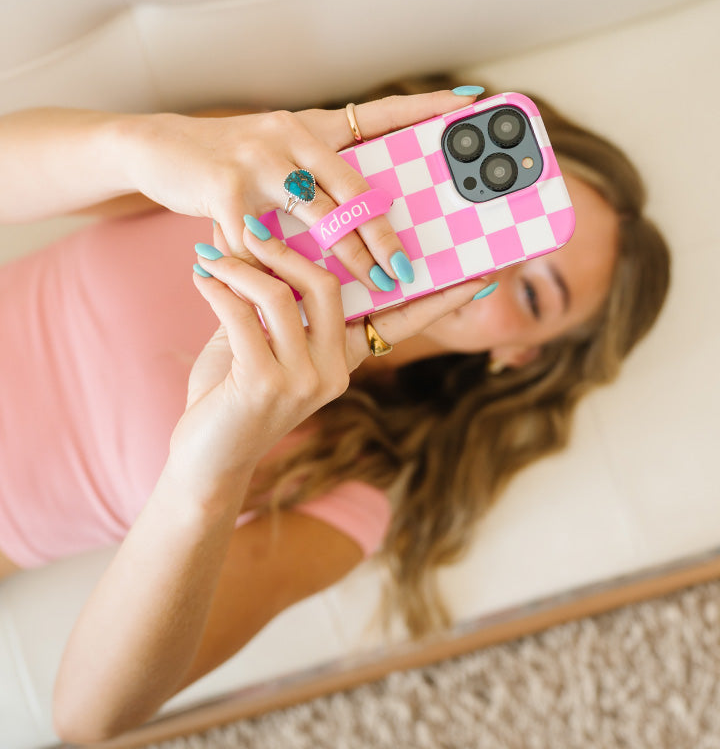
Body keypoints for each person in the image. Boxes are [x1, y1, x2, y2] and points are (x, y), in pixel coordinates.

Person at [0, 78, 670, 742]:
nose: (488, 264)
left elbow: (88, 716)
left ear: (519, 356)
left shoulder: (345, 496)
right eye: (500, 224)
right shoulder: (262, 167)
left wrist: (206, 475)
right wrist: (138, 145)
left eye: (530, 291)